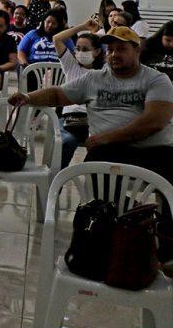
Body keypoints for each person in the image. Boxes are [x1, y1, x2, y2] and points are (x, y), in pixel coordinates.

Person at [9, 26, 173, 219]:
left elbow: (154, 120)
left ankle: (163, 232)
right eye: (110, 50)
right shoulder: (94, 79)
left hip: (153, 151)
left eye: (121, 49)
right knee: (97, 167)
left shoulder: (156, 80)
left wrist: (107, 137)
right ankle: (135, 215)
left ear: (137, 50)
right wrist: (27, 97)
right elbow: (57, 94)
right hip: (110, 152)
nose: (113, 54)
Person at [52, 18, 105, 167]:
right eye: (78, 49)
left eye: (86, 49)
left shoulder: (103, 72)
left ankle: (97, 185)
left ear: (97, 51)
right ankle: (56, 181)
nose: (80, 53)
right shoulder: (71, 66)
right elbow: (57, 39)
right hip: (70, 119)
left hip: (95, 121)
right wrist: (82, 27)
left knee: (101, 148)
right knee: (66, 142)